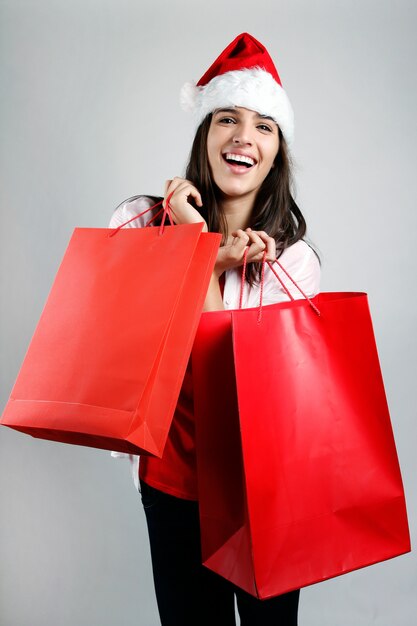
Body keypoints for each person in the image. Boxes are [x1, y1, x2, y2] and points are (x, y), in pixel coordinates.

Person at [110, 33, 320, 626]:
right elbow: (131, 351)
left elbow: (228, 382)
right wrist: (193, 242)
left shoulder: (294, 262)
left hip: (265, 493)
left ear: (277, 153)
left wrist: (199, 257)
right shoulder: (137, 222)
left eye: (264, 126)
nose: (243, 138)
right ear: (205, 134)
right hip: (173, 485)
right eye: (227, 118)